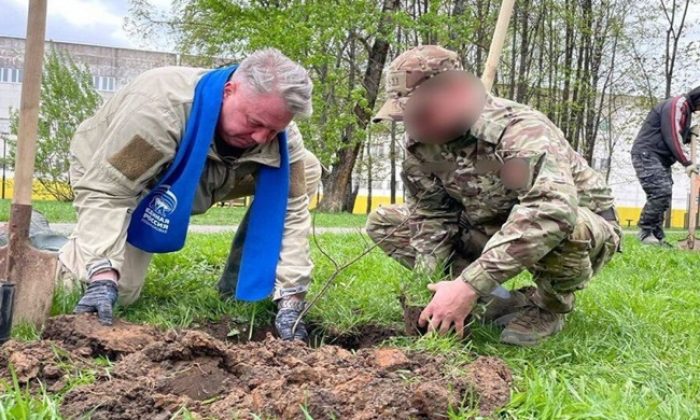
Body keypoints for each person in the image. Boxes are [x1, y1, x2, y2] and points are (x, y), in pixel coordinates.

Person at [59, 48, 321, 341]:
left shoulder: (280, 133)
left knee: (304, 168)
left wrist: (292, 298)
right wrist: (103, 274)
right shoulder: (161, 111)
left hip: (207, 175)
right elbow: (109, 191)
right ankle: (57, 250)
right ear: (229, 91)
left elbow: (291, 212)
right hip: (118, 173)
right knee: (113, 291)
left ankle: (238, 287)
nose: (262, 138)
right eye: (255, 123)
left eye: (274, 130)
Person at [368, 45, 621, 346]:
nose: (413, 128)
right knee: (386, 222)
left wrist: (469, 284)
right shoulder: (423, 143)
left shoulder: (520, 130)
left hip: (575, 228)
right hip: (488, 224)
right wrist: (431, 283)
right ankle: (498, 299)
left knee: (566, 223)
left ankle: (549, 306)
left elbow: (551, 210)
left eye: (421, 113)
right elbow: (430, 215)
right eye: (405, 117)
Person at [630, 86, 700, 245]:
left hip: (659, 157)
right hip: (647, 153)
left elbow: (676, 134)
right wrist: (687, 162)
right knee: (660, 191)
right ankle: (645, 232)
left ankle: (657, 236)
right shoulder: (677, 105)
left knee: (665, 196)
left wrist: (688, 134)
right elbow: (672, 135)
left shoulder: (686, 109)